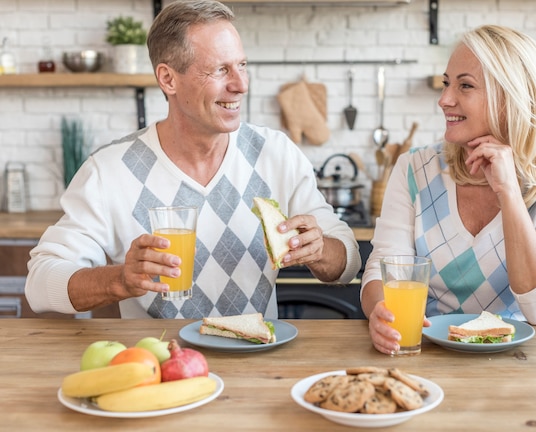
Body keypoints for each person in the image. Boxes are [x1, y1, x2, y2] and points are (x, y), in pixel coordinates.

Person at [25, 0, 360, 319]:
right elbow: (40, 283)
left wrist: (320, 250)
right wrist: (120, 280)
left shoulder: (276, 154)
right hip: (158, 368)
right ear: (168, 79)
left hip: (259, 363)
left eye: (242, 65)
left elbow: (348, 262)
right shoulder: (110, 171)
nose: (241, 84)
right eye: (220, 70)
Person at [361, 25, 536, 355]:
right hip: (425, 352)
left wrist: (508, 192)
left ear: (512, 98)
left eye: (464, 85)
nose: (444, 99)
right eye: (445, 83)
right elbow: (382, 268)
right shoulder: (415, 168)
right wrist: (381, 313)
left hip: (523, 362)